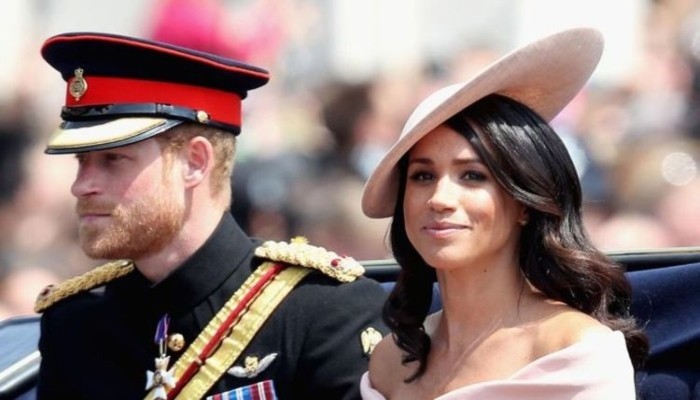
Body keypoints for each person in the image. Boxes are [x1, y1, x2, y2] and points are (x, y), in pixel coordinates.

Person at [33, 32, 388, 399]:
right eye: (82, 161)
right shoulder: (76, 325)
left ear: (195, 163)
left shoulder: (322, 312)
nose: (81, 186)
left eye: (113, 159)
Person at [359, 27, 649, 399]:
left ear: (525, 202)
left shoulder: (575, 349)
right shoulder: (389, 361)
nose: (439, 198)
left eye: (472, 176)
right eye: (423, 176)